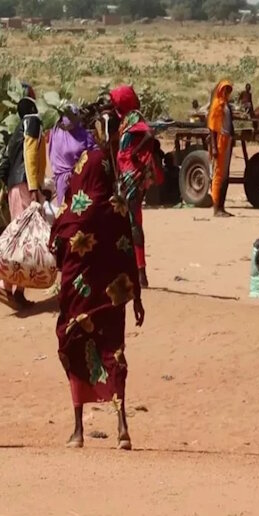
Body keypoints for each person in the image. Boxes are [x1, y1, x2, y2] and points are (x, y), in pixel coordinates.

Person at [49, 148, 145, 450]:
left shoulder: (73, 211)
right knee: (113, 352)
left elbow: (57, 253)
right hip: (111, 298)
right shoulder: (117, 209)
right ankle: (122, 427)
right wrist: (137, 298)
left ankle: (78, 430)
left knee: (75, 348)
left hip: (78, 299)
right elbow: (129, 253)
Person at [109, 86, 162, 289]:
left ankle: (140, 272)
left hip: (132, 176)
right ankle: (136, 270)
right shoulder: (126, 120)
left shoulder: (134, 118)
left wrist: (134, 153)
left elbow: (149, 134)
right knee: (130, 220)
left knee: (132, 221)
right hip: (128, 175)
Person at [0, 97, 46, 308]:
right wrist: (35, 187)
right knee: (24, 239)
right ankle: (8, 286)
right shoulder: (32, 122)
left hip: (14, 186)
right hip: (25, 185)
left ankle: (16, 290)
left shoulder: (17, 129)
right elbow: (30, 153)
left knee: (20, 236)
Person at [48, 106, 98, 206]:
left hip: (81, 180)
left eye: (71, 116)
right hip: (63, 182)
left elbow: (95, 156)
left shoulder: (84, 136)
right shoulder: (56, 131)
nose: (68, 120)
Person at [207, 80, 235, 218]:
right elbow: (212, 128)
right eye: (225, 90)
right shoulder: (217, 105)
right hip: (219, 141)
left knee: (225, 175)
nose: (226, 92)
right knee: (218, 175)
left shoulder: (226, 105)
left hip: (227, 140)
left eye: (228, 90)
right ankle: (216, 207)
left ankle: (222, 207)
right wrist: (213, 147)